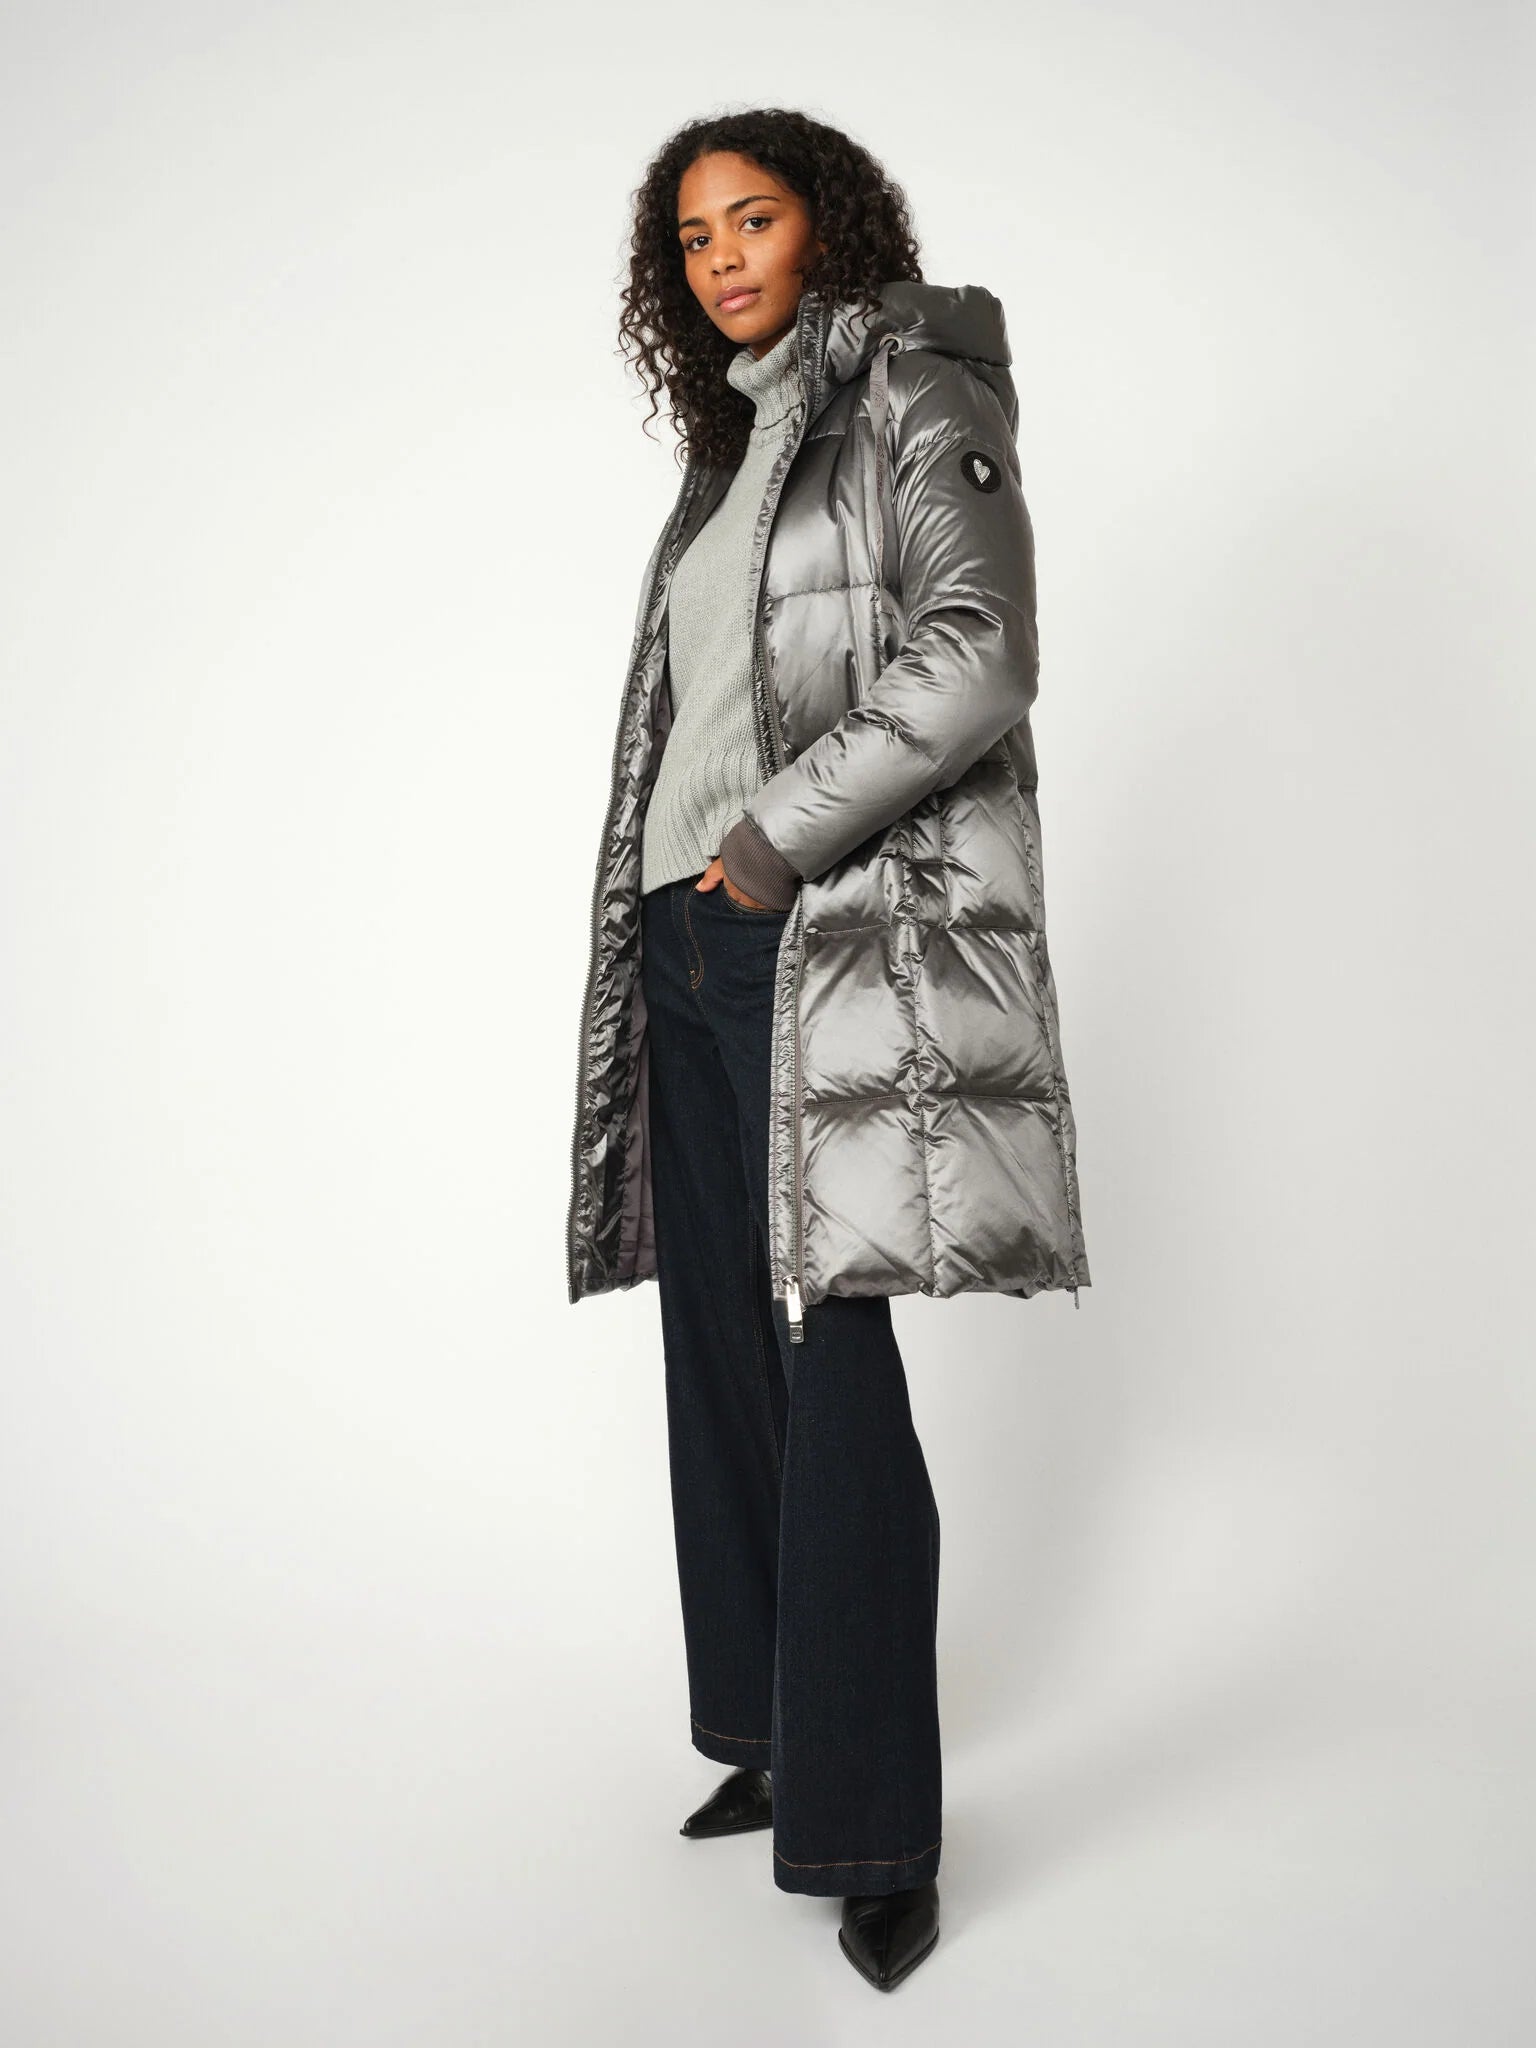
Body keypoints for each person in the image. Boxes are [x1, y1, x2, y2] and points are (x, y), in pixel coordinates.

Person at [567, 108, 1091, 1992]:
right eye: (692, 236)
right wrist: (685, 885)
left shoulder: (911, 391)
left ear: (828, 222)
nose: (721, 258)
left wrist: (776, 842)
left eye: (754, 218)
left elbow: (980, 647)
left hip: (807, 930)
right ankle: (773, 1733)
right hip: (682, 931)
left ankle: (878, 1832)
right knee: (720, 1340)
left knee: (834, 1358)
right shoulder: (733, 446)